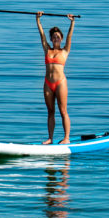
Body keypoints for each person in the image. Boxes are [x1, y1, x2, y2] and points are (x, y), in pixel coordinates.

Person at [36, 11, 76, 144]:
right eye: (53, 37)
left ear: (61, 38)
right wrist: (38, 21)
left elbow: (70, 37)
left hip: (60, 83)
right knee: (50, 111)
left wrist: (72, 22)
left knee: (63, 110)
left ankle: (66, 138)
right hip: (48, 83)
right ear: (51, 39)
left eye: (58, 37)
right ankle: (50, 138)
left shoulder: (65, 50)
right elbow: (42, 36)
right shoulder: (47, 49)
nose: (55, 39)